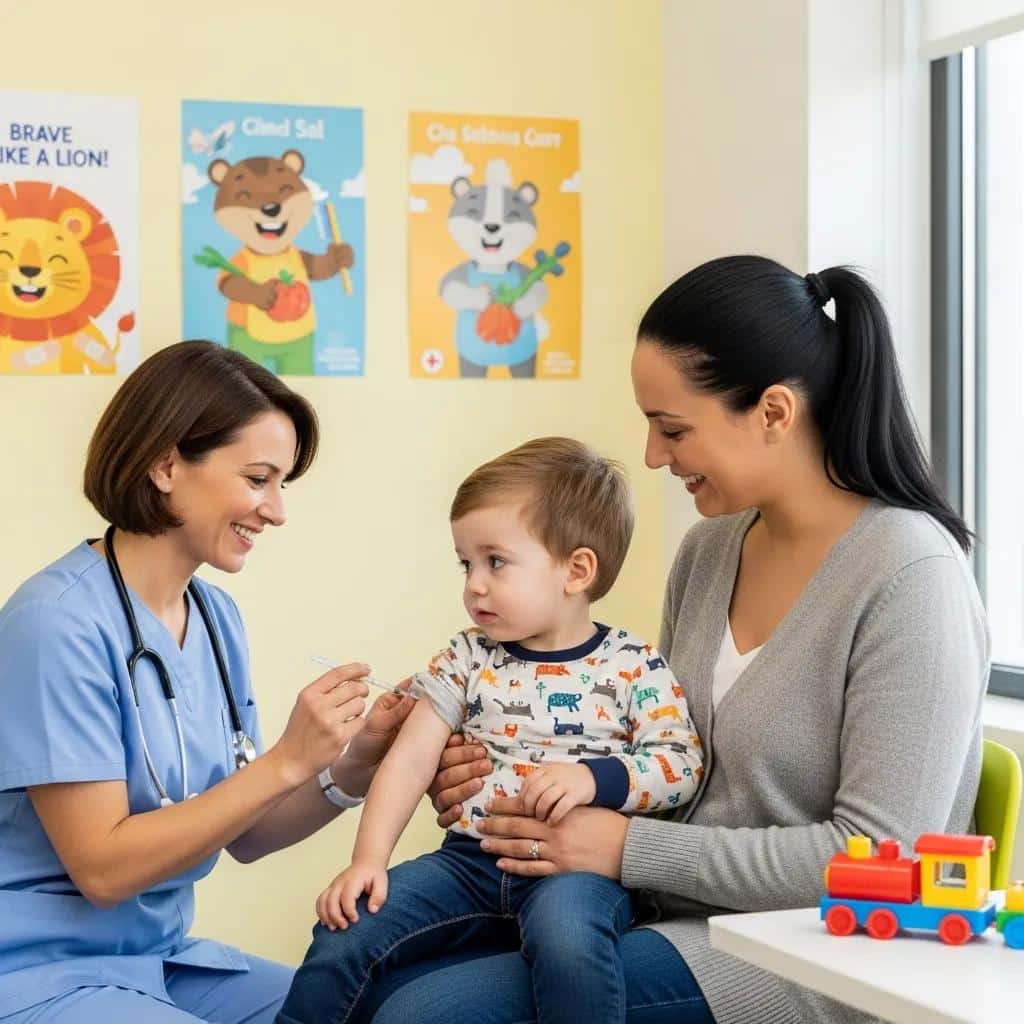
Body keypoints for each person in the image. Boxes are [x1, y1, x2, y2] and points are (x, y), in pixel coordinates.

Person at [352, 257, 990, 1024]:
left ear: (774, 413)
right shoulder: (711, 550)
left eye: (673, 428)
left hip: (811, 953)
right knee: (371, 975)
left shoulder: (910, 574)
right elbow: (649, 749)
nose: (653, 457)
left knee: (422, 1015)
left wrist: (627, 850)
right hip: (660, 912)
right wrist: (508, 777)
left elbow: (883, 858)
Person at [0, 341, 416, 1024]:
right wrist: (286, 759)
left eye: (282, 485)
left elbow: (243, 833)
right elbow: (102, 868)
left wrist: (351, 766)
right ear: (166, 463)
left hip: (158, 961)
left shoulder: (214, 619)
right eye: (259, 479)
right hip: (37, 974)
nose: (277, 511)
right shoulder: (55, 626)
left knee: (375, 1009)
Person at [276, 436, 703, 1024]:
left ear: (576, 570)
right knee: (346, 929)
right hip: (468, 863)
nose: (474, 584)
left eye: (495, 561)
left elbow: (680, 765)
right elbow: (409, 759)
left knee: (571, 949)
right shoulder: (465, 657)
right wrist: (368, 860)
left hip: (573, 872)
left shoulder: (634, 665)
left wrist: (593, 780)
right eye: (466, 563)